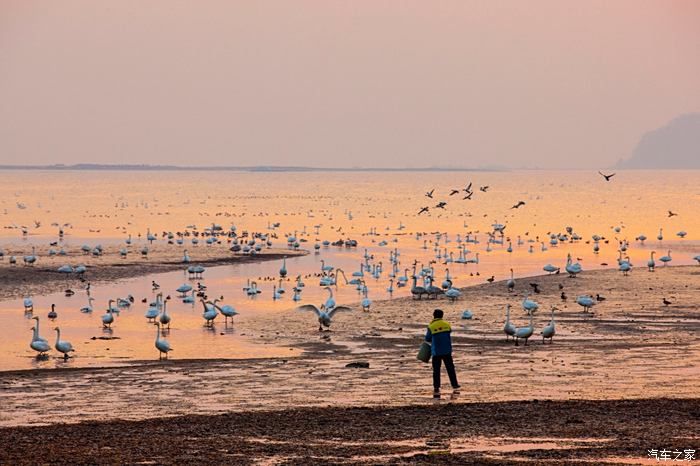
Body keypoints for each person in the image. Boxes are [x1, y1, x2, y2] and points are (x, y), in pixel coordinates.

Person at [425, 309, 460, 395]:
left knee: (436, 370)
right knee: (450, 368)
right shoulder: (447, 325)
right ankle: (455, 385)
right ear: (442, 316)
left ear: (434, 315)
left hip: (436, 352)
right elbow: (449, 333)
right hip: (447, 350)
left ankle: (436, 387)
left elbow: (427, 339)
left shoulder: (431, 326)